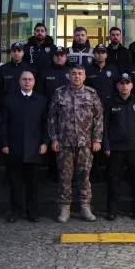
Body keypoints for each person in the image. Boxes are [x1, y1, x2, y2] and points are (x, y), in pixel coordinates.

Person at [48, 65, 104, 223]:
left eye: (80, 74)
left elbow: (98, 118)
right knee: (65, 176)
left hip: (85, 143)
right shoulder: (59, 93)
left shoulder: (91, 94)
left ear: (84, 76)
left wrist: (97, 139)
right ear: (68, 76)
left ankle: (85, 206)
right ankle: (64, 207)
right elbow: (52, 118)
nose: (77, 76)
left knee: (84, 176)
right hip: (65, 143)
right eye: (73, 74)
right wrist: (54, 139)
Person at [0, 70, 49, 223]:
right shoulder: (10, 99)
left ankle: (32, 212)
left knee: (33, 183)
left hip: (34, 148)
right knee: (15, 183)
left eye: (30, 79)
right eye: (24, 79)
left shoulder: (41, 100)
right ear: (19, 81)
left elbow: (46, 123)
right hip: (14, 147)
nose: (27, 82)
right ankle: (15, 211)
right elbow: (3, 124)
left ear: (34, 82)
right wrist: (4, 143)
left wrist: (45, 142)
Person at [103, 73, 135, 220]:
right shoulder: (110, 102)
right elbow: (104, 125)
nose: (124, 85)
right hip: (116, 149)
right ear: (117, 86)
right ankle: (112, 210)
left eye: (127, 83)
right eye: (121, 83)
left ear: (131, 85)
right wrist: (106, 145)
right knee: (113, 180)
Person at [85, 44, 119, 110]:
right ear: (94, 55)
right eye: (98, 53)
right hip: (91, 104)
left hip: (109, 104)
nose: (100, 55)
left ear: (106, 55)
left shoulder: (112, 68)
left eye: (103, 53)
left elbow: (117, 86)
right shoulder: (88, 69)